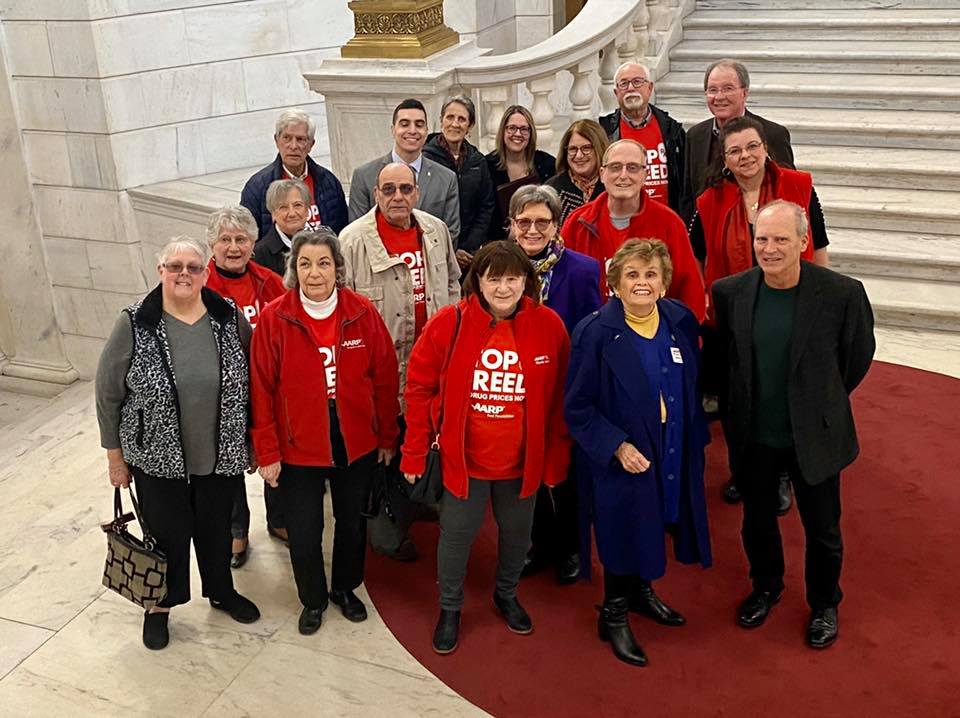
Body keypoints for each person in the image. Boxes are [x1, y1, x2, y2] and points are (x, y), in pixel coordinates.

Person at [712, 200, 875, 650]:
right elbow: (726, 364)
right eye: (762, 239)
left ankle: (825, 603)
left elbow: (856, 357)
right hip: (755, 436)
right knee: (757, 521)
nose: (770, 248)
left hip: (815, 435)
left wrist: (819, 401)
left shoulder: (842, 294)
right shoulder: (731, 292)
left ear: (804, 242)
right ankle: (766, 587)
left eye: (781, 239)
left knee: (823, 528)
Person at [401, 241, 571, 655]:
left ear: (526, 282)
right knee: (456, 537)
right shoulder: (449, 324)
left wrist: (554, 460)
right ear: (477, 281)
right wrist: (414, 452)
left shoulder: (549, 326)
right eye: (493, 278)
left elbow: (557, 401)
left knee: (517, 537)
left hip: (520, 463)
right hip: (465, 462)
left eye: (512, 278)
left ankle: (506, 594)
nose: (503, 287)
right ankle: (450, 608)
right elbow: (419, 389)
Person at [95, 236, 261, 651]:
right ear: (161, 272)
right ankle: (159, 607)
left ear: (206, 273)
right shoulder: (135, 322)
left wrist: (255, 441)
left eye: (193, 266)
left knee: (216, 531)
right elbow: (107, 392)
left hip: (219, 453)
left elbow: (254, 384)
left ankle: (221, 591)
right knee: (167, 535)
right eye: (175, 266)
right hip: (155, 457)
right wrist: (115, 458)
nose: (183, 273)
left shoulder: (229, 317)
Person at [565, 239, 712, 667]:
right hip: (623, 456)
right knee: (621, 528)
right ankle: (613, 612)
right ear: (614, 284)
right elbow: (577, 407)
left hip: (672, 445)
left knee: (656, 520)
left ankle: (641, 591)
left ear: (664, 283)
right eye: (632, 275)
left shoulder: (679, 320)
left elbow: (693, 382)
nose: (643, 283)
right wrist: (617, 445)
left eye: (651, 275)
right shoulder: (595, 333)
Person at [249, 229, 400, 635]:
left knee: (351, 521)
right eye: (305, 264)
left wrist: (387, 435)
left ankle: (345, 589)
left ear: (337, 268)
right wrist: (266, 452)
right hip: (298, 441)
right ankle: (313, 599)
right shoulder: (274, 318)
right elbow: (260, 389)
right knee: (304, 528)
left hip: (354, 436)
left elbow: (384, 378)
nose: (314, 273)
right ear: (293, 269)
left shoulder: (362, 311)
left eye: (323, 263)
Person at [692, 115, 829, 510]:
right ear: (725, 158)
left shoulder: (798, 186)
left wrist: (820, 297)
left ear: (766, 148)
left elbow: (817, 243)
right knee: (737, 398)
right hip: (733, 315)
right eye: (734, 150)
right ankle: (743, 469)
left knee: (779, 390)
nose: (745, 156)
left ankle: (784, 473)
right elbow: (695, 254)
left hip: (789, 302)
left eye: (752, 147)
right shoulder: (709, 199)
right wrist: (703, 297)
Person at [339, 162, 461, 562]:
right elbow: (342, 309)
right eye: (388, 189)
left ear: (416, 192)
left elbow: (453, 283)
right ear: (375, 193)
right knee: (383, 451)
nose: (398, 198)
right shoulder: (353, 240)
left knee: (422, 439)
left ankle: (418, 499)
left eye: (405, 189)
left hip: (432, 364)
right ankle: (385, 530)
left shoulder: (435, 231)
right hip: (381, 369)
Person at [508, 184, 601, 584]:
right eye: (524, 221)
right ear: (511, 225)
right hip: (514, 389)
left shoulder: (582, 269)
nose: (532, 230)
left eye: (541, 222)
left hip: (565, 388)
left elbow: (591, 331)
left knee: (566, 478)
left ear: (556, 225)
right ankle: (540, 544)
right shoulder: (498, 266)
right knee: (524, 472)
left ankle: (573, 548)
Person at [203, 205, 287, 568]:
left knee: (276, 451)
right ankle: (237, 529)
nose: (233, 247)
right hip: (223, 393)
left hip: (270, 385)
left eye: (241, 239)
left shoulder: (271, 280)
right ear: (212, 245)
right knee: (228, 461)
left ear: (254, 243)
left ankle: (280, 518)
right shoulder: (200, 287)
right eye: (225, 240)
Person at [561, 139, 706, 321]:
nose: (623, 175)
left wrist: (683, 340)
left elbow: (690, 291)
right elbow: (562, 289)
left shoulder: (669, 223)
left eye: (632, 168)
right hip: (592, 337)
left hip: (653, 337)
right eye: (615, 167)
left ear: (645, 174)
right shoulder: (577, 223)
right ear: (602, 174)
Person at [682, 59, 795, 222]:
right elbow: (688, 197)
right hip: (710, 233)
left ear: (745, 92)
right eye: (712, 90)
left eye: (728, 89)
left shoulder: (773, 134)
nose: (719, 97)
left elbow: (788, 191)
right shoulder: (695, 136)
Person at [348, 98, 461, 244]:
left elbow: (450, 233)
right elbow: (357, 233)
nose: (412, 130)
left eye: (419, 125)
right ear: (393, 130)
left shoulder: (446, 179)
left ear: (426, 132)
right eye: (405, 124)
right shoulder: (364, 176)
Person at [240, 108, 348, 238]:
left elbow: (342, 233)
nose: (293, 146)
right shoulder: (257, 187)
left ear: (311, 144)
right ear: (276, 140)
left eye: (300, 139)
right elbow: (247, 237)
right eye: (287, 138)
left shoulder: (329, 182)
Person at [598, 62, 686, 215]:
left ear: (650, 87)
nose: (631, 88)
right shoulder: (604, 132)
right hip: (620, 219)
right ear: (616, 92)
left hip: (665, 220)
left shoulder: (673, 130)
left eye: (637, 82)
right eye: (624, 84)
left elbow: (684, 180)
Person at [422, 95, 496, 276]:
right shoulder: (425, 158)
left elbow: (486, 205)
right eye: (450, 117)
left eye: (461, 119)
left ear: (470, 126)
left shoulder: (477, 161)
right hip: (433, 250)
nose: (455, 124)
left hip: (469, 253)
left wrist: (468, 247)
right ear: (441, 120)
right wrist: (450, 248)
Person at [485, 105, 556, 241]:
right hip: (500, 243)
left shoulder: (546, 164)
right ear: (503, 131)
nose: (517, 134)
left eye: (524, 129)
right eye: (512, 128)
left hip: (539, 237)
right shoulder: (487, 166)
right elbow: (485, 211)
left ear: (531, 133)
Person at [545, 119, 609, 226]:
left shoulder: (612, 186)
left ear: (599, 148)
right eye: (573, 149)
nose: (579, 155)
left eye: (586, 148)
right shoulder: (551, 191)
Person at [252, 179, 311, 277]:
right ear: (273, 214)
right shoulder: (259, 256)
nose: (292, 213)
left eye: (297, 205)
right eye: (283, 207)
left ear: (307, 210)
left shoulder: (322, 243)